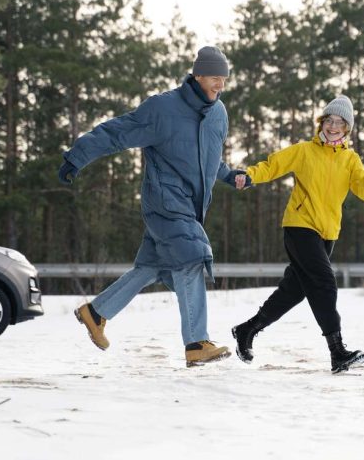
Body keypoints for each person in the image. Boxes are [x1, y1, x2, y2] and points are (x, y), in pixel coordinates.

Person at [58, 46, 244, 367]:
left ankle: (96, 312)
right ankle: (196, 343)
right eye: (215, 77)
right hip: (164, 201)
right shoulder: (163, 108)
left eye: (224, 78)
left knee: (152, 267)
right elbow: (118, 132)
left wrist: (230, 175)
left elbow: (210, 157)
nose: (220, 84)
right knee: (191, 257)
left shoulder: (218, 114)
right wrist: (77, 157)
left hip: (191, 205)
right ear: (198, 75)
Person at [232, 95, 364, 373]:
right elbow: (272, 165)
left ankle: (247, 329)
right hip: (299, 226)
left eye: (340, 122)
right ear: (321, 123)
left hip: (328, 233)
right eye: (329, 120)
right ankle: (337, 352)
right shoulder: (304, 151)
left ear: (347, 128)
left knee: (293, 291)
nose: (333, 126)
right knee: (324, 282)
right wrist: (248, 175)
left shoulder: (351, 159)